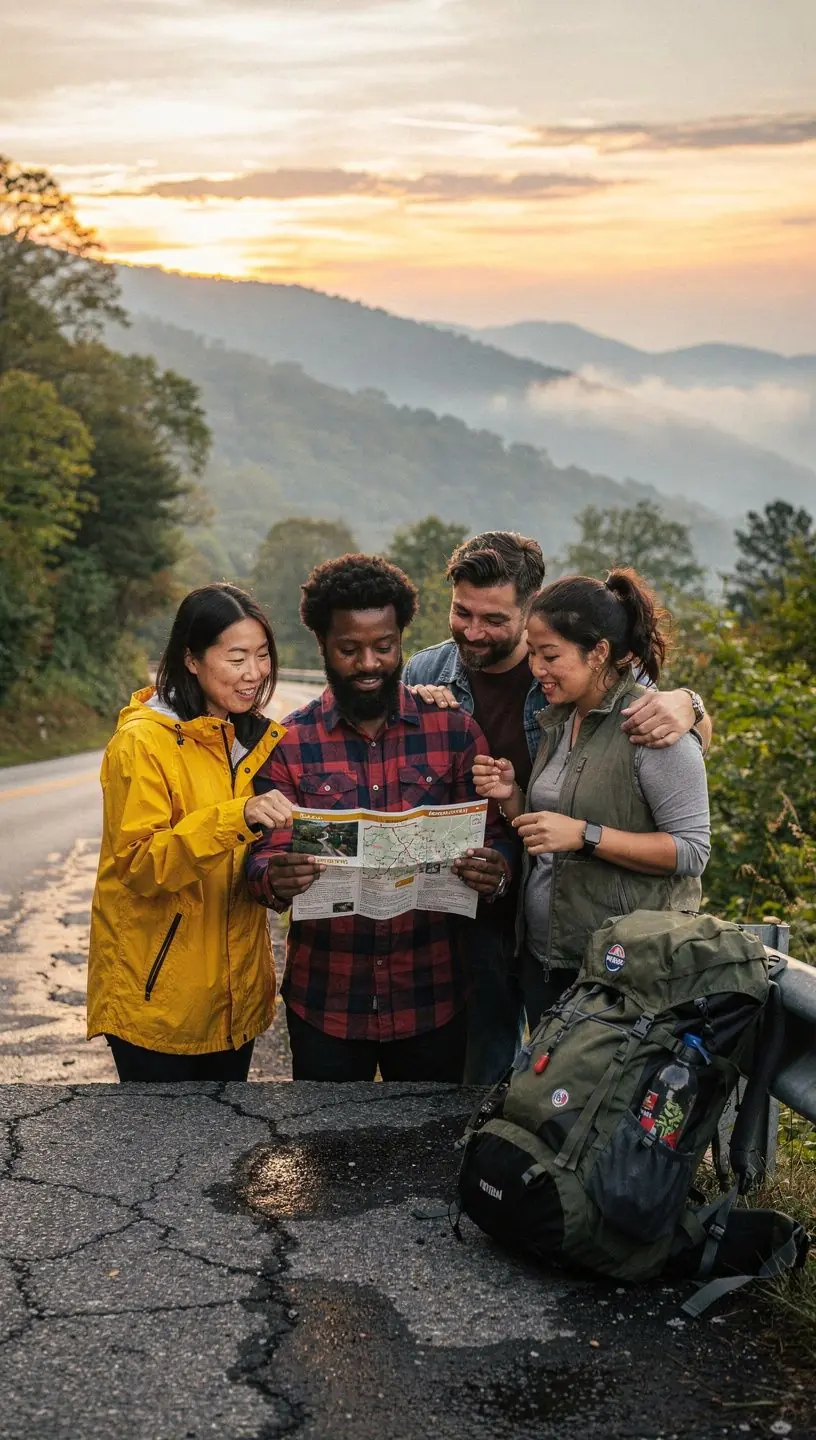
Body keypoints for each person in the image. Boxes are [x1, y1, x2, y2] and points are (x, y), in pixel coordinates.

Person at [404, 530, 710, 1084]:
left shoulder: (604, 693)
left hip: (604, 948)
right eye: (461, 613)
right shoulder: (446, 680)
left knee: (576, 1090)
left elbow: (687, 825)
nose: (473, 631)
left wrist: (691, 705)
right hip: (510, 928)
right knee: (496, 1079)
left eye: (494, 619)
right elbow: (544, 817)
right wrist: (510, 794)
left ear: (530, 611)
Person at [246, 553, 512, 1083]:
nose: (369, 663)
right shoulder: (288, 743)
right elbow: (261, 857)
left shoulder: (453, 732)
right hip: (327, 999)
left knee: (429, 1134)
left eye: (384, 647)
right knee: (322, 1134)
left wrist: (496, 871)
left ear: (401, 640)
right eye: (349, 650)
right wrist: (274, 877)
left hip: (432, 994)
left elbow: (497, 836)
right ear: (323, 645)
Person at [473, 569, 711, 1025]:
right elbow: (552, 830)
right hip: (548, 958)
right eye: (532, 653)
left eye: (550, 655)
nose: (536, 668)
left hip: (622, 968)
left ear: (599, 652)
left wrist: (586, 835)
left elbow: (691, 851)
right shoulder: (561, 720)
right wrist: (512, 796)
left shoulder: (651, 725)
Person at [87, 583, 293, 1082]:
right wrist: (237, 818)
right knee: (161, 1135)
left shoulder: (249, 738)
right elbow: (141, 864)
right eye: (236, 658)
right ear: (192, 660)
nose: (254, 672)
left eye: (262, 655)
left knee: (226, 1131)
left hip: (232, 1000)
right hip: (157, 999)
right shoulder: (142, 742)